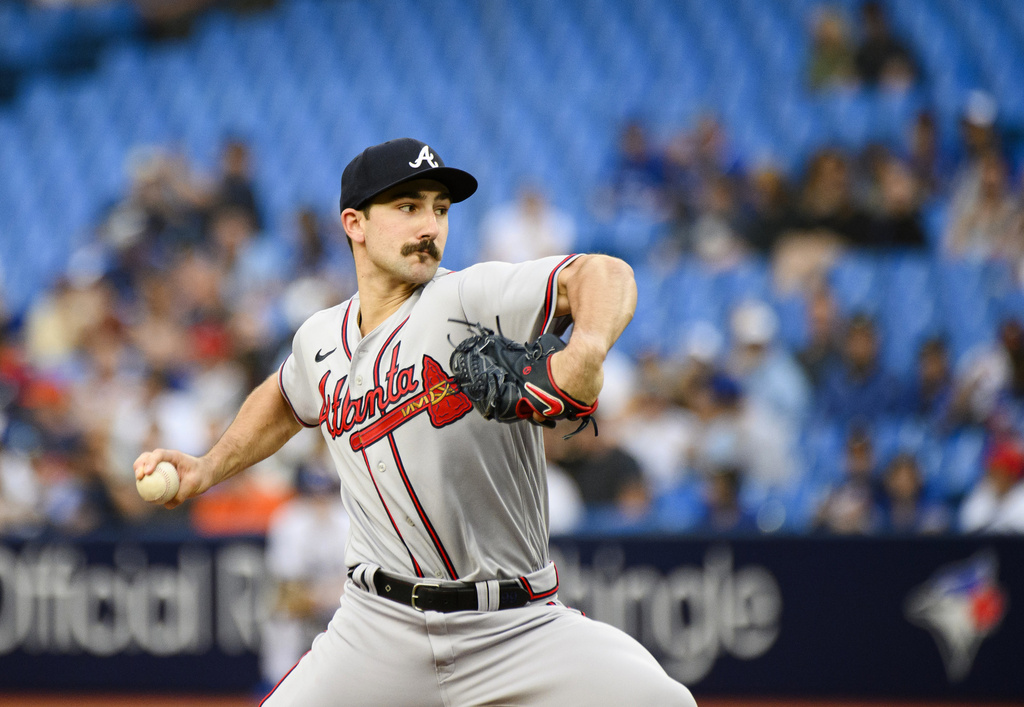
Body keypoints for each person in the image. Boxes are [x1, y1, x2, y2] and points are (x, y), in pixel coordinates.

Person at [135, 138, 697, 706]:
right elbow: (285, 397)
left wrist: (588, 349)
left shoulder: (471, 297)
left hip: (513, 627)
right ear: (354, 223)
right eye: (408, 207)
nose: (430, 224)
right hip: (376, 631)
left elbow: (602, 273)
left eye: (440, 208)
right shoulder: (320, 338)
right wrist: (208, 467)